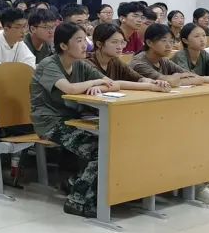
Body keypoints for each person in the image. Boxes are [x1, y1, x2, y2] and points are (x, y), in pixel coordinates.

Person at [32, 22, 168, 218]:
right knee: (100, 149)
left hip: (72, 120)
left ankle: (78, 184)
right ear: (63, 45)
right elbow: (70, 89)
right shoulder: (49, 64)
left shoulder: (79, 64)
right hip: (49, 123)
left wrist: (151, 86)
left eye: (84, 40)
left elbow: (112, 84)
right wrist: (96, 81)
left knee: (116, 144)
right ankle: (76, 201)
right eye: (79, 41)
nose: (84, 45)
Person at [87, 23, 167, 88]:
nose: (120, 47)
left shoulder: (115, 61)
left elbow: (139, 78)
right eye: (114, 42)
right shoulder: (87, 62)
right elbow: (110, 83)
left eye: (122, 42)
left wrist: (154, 82)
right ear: (99, 44)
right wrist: (150, 86)